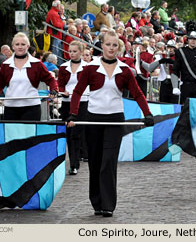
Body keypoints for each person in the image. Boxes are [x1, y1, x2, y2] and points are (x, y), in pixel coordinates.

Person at [66, 30, 154, 217]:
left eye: (115, 45)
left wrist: (147, 114)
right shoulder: (90, 68)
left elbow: (137, 93)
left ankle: (108, 205)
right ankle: (96, 202)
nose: (111, 48)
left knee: (108, 161)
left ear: (119, 47)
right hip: (93, 119)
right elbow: (77, 92)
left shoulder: (124, 70)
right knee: (95, 162)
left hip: (115, 119)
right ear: (102, 45)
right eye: (108, 44)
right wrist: (73, 114)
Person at [0, 32, 58, 120]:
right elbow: (0, 83)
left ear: (27, 46)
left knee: (30, 134)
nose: (20, 47)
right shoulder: (6, 64)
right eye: (17, 44)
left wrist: (54, 90)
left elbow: (50, 79)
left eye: (23, 44)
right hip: (11, 108)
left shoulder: (36, 64)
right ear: (13, 47)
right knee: (12, 134)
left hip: (32, 107)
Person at [58, 41, 89, 175]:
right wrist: (62, 91)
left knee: (78, 132)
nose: (72, 54)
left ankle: (76, 162)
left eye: (75, 51)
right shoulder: (64, 67)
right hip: (67, 102)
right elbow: (59, 84)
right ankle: (73, 163)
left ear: (81, 52)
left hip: (82, 102)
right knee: (69, 134)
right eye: (70, 51)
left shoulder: (87, 67)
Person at [46, 0, 65, 65]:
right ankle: (56, 65)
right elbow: (56, 24)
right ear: (57, 6)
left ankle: (59, 65)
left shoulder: (54, 12)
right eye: (59, 5)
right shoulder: (53, 13)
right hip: (55, 35)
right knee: (56, 52)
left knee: (58, 52)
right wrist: (63, 23)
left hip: (57, 35)